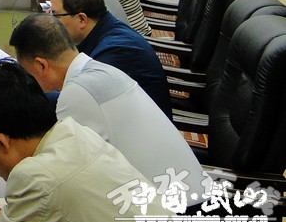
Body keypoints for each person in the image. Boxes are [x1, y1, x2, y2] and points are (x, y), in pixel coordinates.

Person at [0, 59, 190, 222]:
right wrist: (0, 215)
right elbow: (63, 201)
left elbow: (49, 192)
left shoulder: (36, 177)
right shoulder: (75, 133)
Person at [10, 14, 205, 203]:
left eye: (27, 73)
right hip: (191, 194)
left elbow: (67, 175)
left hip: (174, 212)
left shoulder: (77, 93)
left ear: (41, 65)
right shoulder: (102, 71)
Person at [49, 0, 171, 116]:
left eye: (56, 16)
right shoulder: (105, 28)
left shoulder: (116, 50)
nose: (52, 22)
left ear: (82, 19)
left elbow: (79, 99)